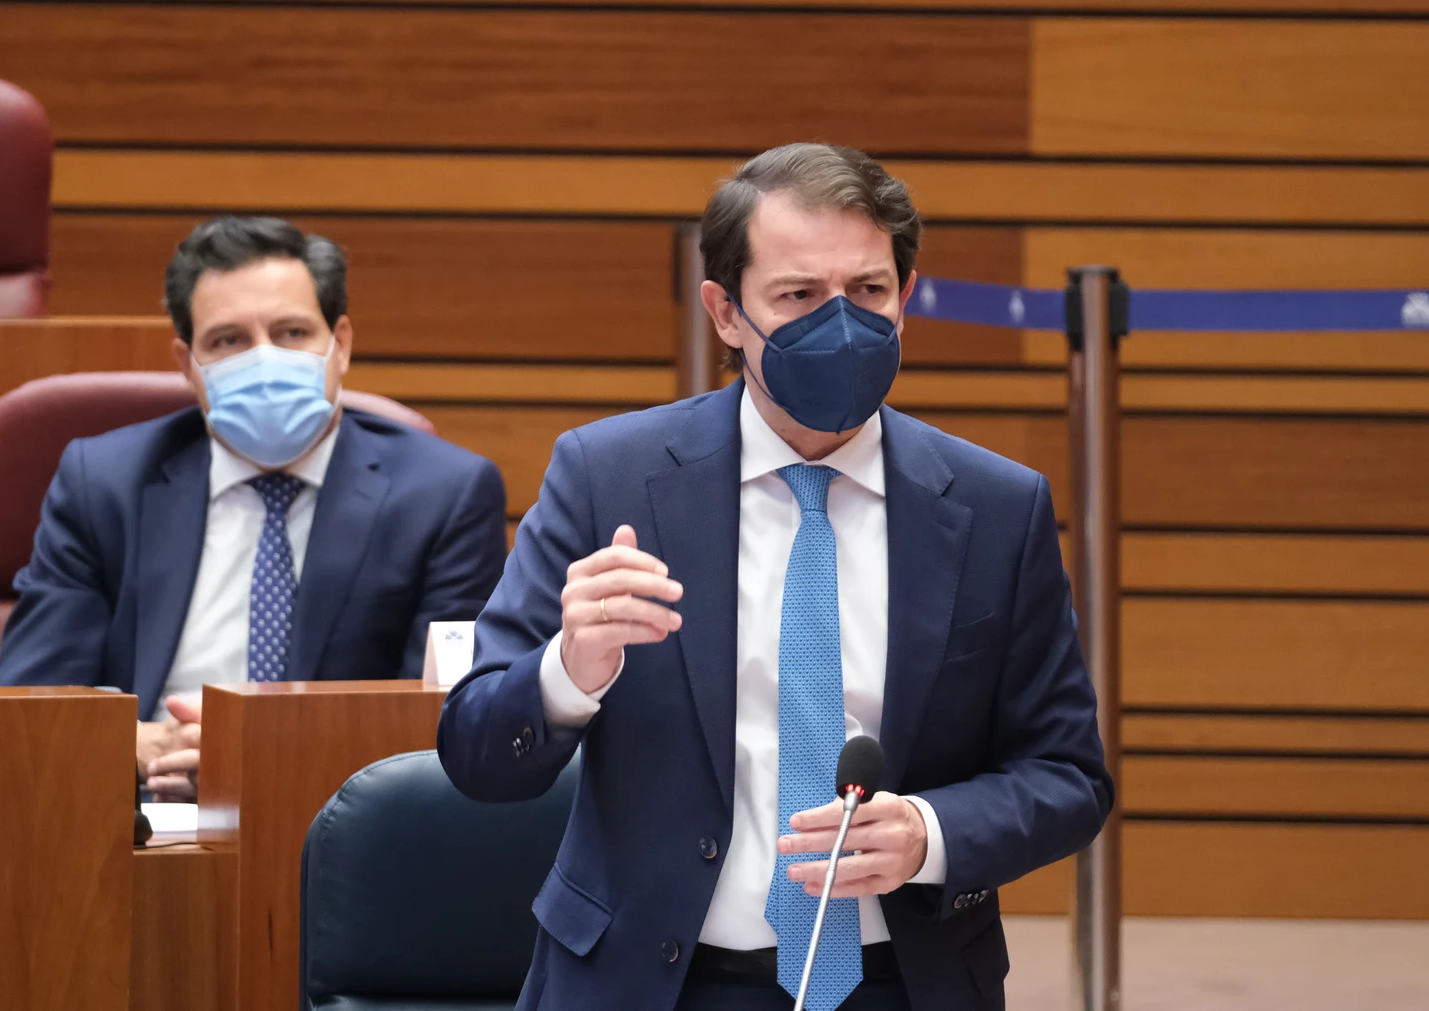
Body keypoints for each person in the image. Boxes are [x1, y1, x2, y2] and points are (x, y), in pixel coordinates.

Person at [437, 144, 1112, 1011]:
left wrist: (931, 832)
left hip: (902, 983)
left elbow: (1067, 774)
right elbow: (477, 753)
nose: (841, 323)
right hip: (655, 981)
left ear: (906, 298)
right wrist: (569, 672)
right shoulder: (606, 476)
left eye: (868, 292)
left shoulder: (997, 507)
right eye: (798, 296)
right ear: (725, 312)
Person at [0, 216, 508, 800]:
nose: (264, 360)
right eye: (228, 341)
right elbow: (32, 700)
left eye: (291, 333)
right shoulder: (103, 484)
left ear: (339, 345)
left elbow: (440, 721)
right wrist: (134, 747)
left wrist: (247, 758)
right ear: (188, 365)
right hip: (136, 814)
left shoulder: (444, 495)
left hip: (332, 820)